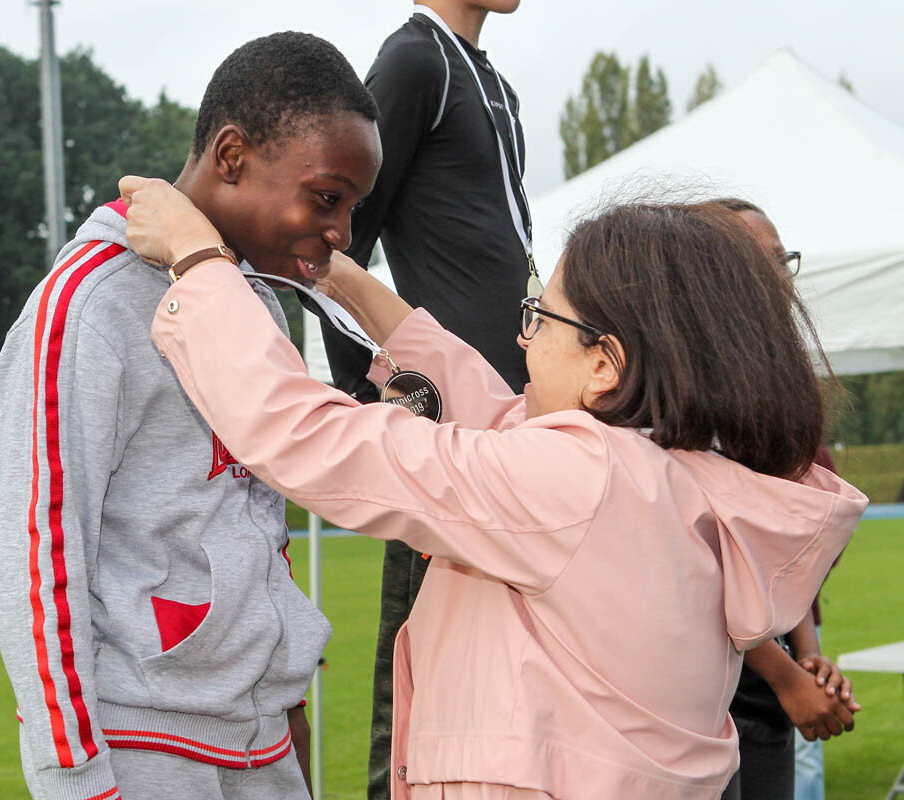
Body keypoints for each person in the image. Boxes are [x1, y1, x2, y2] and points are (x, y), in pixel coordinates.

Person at [122, 177, 867, 799]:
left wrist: (199, 262)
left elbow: (313, 438)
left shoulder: (579, 481)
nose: (521, 337)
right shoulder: (676, 473)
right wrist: (340, 277)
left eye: (541, 317)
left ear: (605, 364)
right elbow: (490, 413)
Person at [0, 33, 381, 800]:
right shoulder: (86, 309)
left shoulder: (254, 303)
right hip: (144, 746)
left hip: (263, 744)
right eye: (326, 198)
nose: (340, 232)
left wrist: (289, 712)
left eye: (352, 209)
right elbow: (39, 564)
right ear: (231, 156)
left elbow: (256, 518)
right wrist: (76, 780)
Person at [320, 4, 530, 793]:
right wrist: (376, 393)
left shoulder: (492, 80)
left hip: (515, 421)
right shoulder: (415, 61)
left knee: (493, 677)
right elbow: (341, 234)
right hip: (449, 430)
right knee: (414, 683)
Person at [718, 198, 858, 800]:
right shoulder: (683, 385)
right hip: (707, 690)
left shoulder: (768, 377)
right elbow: (709, 558)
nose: (780, 279)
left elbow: (779, 544)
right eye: (761, 262)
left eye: (783, 260)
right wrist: (784, 676)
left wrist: (808, 656)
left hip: (763, 686)